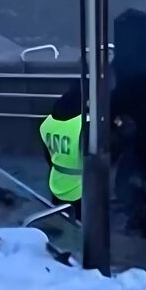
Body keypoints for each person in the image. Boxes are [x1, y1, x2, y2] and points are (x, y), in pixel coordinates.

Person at [39, 85, 84, 219]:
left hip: (56, 182)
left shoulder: (47, 124)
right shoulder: (83, 125)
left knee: (60, 219)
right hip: (82, 188)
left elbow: (48, 157)